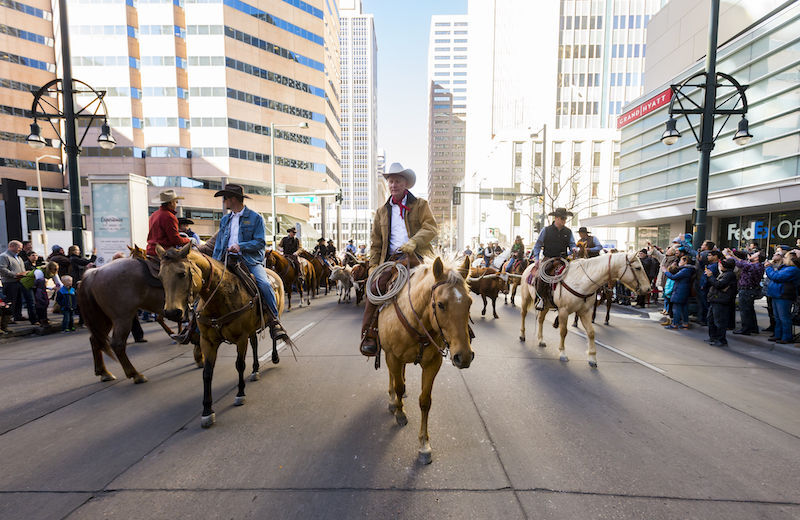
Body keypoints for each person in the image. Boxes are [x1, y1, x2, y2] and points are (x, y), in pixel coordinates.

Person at [360, 162, 437, 356]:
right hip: (392, 260)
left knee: (445, 286)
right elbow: (376, 244)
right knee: (375, 290)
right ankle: (369, 335)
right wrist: (373, 267)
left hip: (418, 257)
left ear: (406, 184)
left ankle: (460, 333)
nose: (394, 185)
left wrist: (413, 242)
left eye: (398, 181)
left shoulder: (421, 205)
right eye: (391, 181)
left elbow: (431, 228)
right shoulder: (381, 212)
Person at [213, 183, 288, 342]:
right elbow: (219, 243)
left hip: (249, 261)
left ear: (233, 199)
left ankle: (275, 321)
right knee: (207, 284)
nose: (224, 201)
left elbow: (260, 242)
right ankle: (196, 326)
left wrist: (241, 246)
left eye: (225, 198)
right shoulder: (225, 219)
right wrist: (213, 263)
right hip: (225, 260)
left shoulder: (255, 218)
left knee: (264, 284)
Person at [529, 208, 577, 308]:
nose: (564, 220)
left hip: (563, 259)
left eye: (565, 218)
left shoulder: (568, 232)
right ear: (556, 218)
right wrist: (537, 259)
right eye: (562, 218)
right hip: (549, 258)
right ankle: (541, 299)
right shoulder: (546, 230)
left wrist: (574, 249)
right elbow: (537, 245)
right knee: (541, 276)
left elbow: (572, 244)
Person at [727, 249, 765, 335]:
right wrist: (733, 255)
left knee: (745, 310)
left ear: (757, 258)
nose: (752, 254)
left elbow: (740, 264)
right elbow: (743, 262)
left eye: (755, 254)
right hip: (748, 289)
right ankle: (753, 328)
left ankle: (746, 328)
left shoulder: (754, 266)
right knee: (750, 310)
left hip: (747, 290)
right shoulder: (756, 265)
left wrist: (729, 256)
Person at [765, 252, 800, 344]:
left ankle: (786, 336)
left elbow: (776, 277)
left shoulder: (793, 269)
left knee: (784, 317)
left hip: (784, 295)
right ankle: (778, 335)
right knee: (777, 317)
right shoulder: (785, 268)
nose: (783, 258)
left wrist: (768, 268)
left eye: (785, 257)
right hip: (777, 294)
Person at [0, 240, 37, 325]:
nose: (21, 249)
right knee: (11, 301)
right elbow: (2, 269)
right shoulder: (4, 256)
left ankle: (18, 316)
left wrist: (24, 273)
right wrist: (15, 275)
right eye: (19, 247)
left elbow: (22, 268)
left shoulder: (18, 257)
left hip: (21, 281)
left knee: (19, 300)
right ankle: (8, 319)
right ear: (12, 246)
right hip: (10, 282)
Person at [146, 189, 191, 257]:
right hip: (164, 253)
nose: (176, 204)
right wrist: (189, 240)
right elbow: (175, 240)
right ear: (171, 203)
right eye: (176, 202)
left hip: (150, 250)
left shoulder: (153, 214)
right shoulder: (169, 217)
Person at [706, 258, 737, 346]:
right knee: (711, 319)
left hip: (720, 300)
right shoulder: (724, 274)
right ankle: (713, 337)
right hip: (715, 299)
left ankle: (721, 339)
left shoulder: (729, 275)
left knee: (719, 321)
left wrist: (711, 276)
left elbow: (719, 285)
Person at [20, 260, 61, 326]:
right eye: (55, 269)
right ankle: (34, 320)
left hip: (37, 286)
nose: (56, 271)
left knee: (41, 302)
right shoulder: (39, 271)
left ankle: (42, 318)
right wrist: (51, 288)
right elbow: (41, 284)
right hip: (27, 284)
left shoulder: (53, 273)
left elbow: (59, 283)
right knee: (32, 302)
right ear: (50, 268)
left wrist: (60, 289)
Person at [664, 255, 696, 330]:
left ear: (685, 261)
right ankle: (685, 323)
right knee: (684, 308)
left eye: (681, 260)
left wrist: (665, 271)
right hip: (683, 290)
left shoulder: (685, 270)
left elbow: (673, 277)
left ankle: (675, 324)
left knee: (676, 309)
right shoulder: (688, 269)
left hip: (680, 291)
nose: (679, 262)